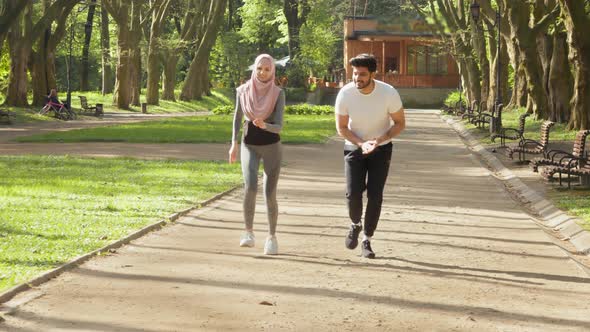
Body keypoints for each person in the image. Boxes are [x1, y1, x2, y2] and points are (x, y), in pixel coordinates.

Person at [335, 53, 406, 259]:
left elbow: (400, 123)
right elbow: (341, 127)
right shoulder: (345, 94)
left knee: (375, 196)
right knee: (353, 194)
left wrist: (379, 140)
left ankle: (367, 239)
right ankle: (355, 224)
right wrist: (361, 143)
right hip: (354, 147)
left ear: (373, 74)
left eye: (362, 74)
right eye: (355, 74)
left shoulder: (388, 93)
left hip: (381, 148)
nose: (357, 78)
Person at [229, 54, 285, 255]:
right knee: (250, 186)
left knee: (269, 193)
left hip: (271, 146)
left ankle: (271, 237)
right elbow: (237, 118)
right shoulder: (243, 90)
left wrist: (265, 125)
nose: (262, 72)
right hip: (248, 144)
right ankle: (249, 233)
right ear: (255, 68)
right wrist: (233, 144)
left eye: (267, 69)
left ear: (272, 71)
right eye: (259, 68)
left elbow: (279, 126)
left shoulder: (278, 93)